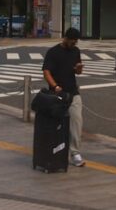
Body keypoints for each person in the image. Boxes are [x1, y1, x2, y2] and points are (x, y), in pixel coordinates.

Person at [42, 28, 85, 167]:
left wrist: (78, 68)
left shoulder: (76, 51)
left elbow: (77, 72)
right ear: (65, 38)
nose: (74, 44)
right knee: (56, 124)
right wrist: (55, 86)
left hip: (72, 91)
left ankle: (75, 152)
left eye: (75, 42)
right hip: (57, 93)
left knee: (77, 121)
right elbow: (46, 71)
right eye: (72, 41)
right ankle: (53, 150)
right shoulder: (53, 52)